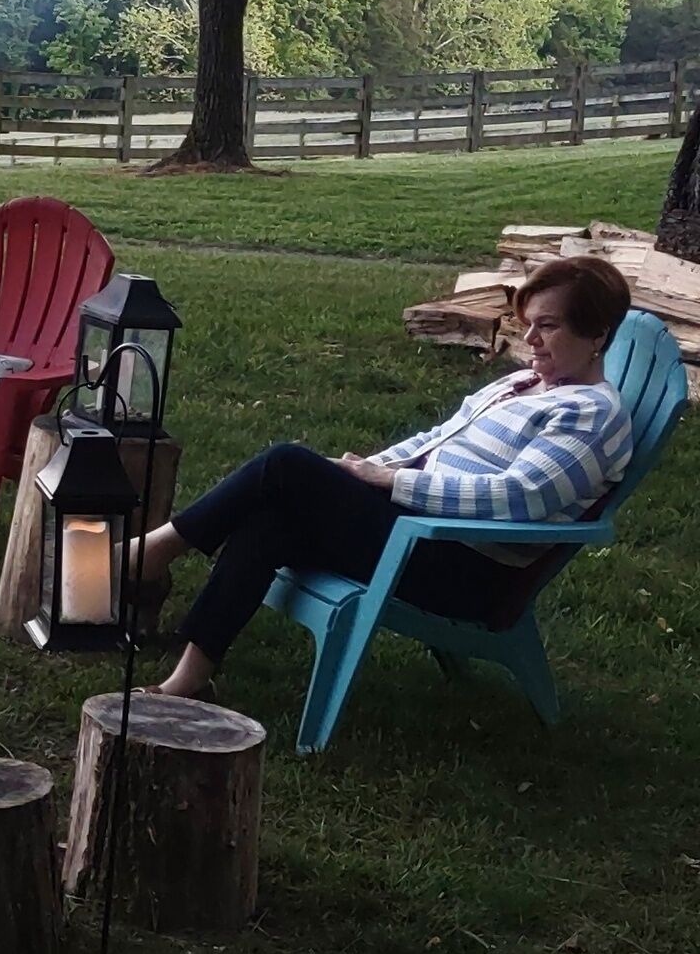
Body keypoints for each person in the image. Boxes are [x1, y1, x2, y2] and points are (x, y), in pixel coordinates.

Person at [131, 254, 638, 700]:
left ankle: (149, 554)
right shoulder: (525, 382)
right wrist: (365, 469)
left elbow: (519, 497)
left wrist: (390, 483)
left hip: (462, 566)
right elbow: (438, 438)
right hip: (416, 533)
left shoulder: (591, 414)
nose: (529, 339)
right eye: (527, 324)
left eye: (547, 326)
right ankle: (190, 676)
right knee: (271, 518)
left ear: (597, 336)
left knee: (285, 463)